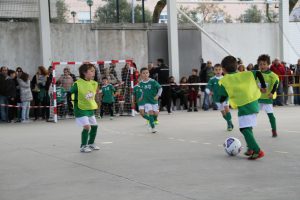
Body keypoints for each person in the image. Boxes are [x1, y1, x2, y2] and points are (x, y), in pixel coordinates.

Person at [219, 56, 267, 160]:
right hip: (254, 103)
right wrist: (263, 86)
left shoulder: (224, 80)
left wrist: (221, 99)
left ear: (223, 69)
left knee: (244, 129)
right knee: (248, 127)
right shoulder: (246, 73)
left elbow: (223, 95)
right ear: (237, 67)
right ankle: (250, 148)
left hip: (245, 107)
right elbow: (258, 73)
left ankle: (257, 151)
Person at [70, 63, 100, 153]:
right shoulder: (77, 84)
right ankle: (83, 146)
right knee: (87, 127)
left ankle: (91, 143)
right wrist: (73, 102)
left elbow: (93, 94)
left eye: (94, 71)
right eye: (91, 71)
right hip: (80, 109)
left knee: (94, 126)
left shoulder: (94, 83)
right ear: (84, 72)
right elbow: (71, 94)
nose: (93, 73)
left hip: (89, 108)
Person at [205, 64, 233, 131]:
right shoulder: (212, 79)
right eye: (216, 70)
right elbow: (207, 88)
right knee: (223, 113)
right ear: (214, 71)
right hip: (217, 99)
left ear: (222, 70)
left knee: (226, 108)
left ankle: (229, 125)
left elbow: (230, 87)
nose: (218, 71)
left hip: (225, 97)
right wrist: (209, 92)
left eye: (219, 69)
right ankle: (229, 121)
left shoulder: (225, 78)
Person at [257, 54, 279, 137]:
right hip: (258, 99)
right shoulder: (256, 74)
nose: (262, 66)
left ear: (268, 64)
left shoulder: (272, 75)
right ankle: (249, 129)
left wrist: (272, 93)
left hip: (267, 99)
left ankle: (274, 130)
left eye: (264, 64)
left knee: (270, 115)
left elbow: (276, 83)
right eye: (260, 64)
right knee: (252, 114)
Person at [139, 67, 162, 133]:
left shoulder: (152, 81)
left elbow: (160, 88)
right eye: (143, 73)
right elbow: (143, 91)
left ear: (149, 73)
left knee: (156, 114)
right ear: (141, 74)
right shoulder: (141, 83)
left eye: (147, 73)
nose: (145, 74)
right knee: (150, 112)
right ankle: (153, 128)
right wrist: (141, 97)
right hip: (146, 101)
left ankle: (151, 121)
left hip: (154, 101)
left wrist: (157, 95)